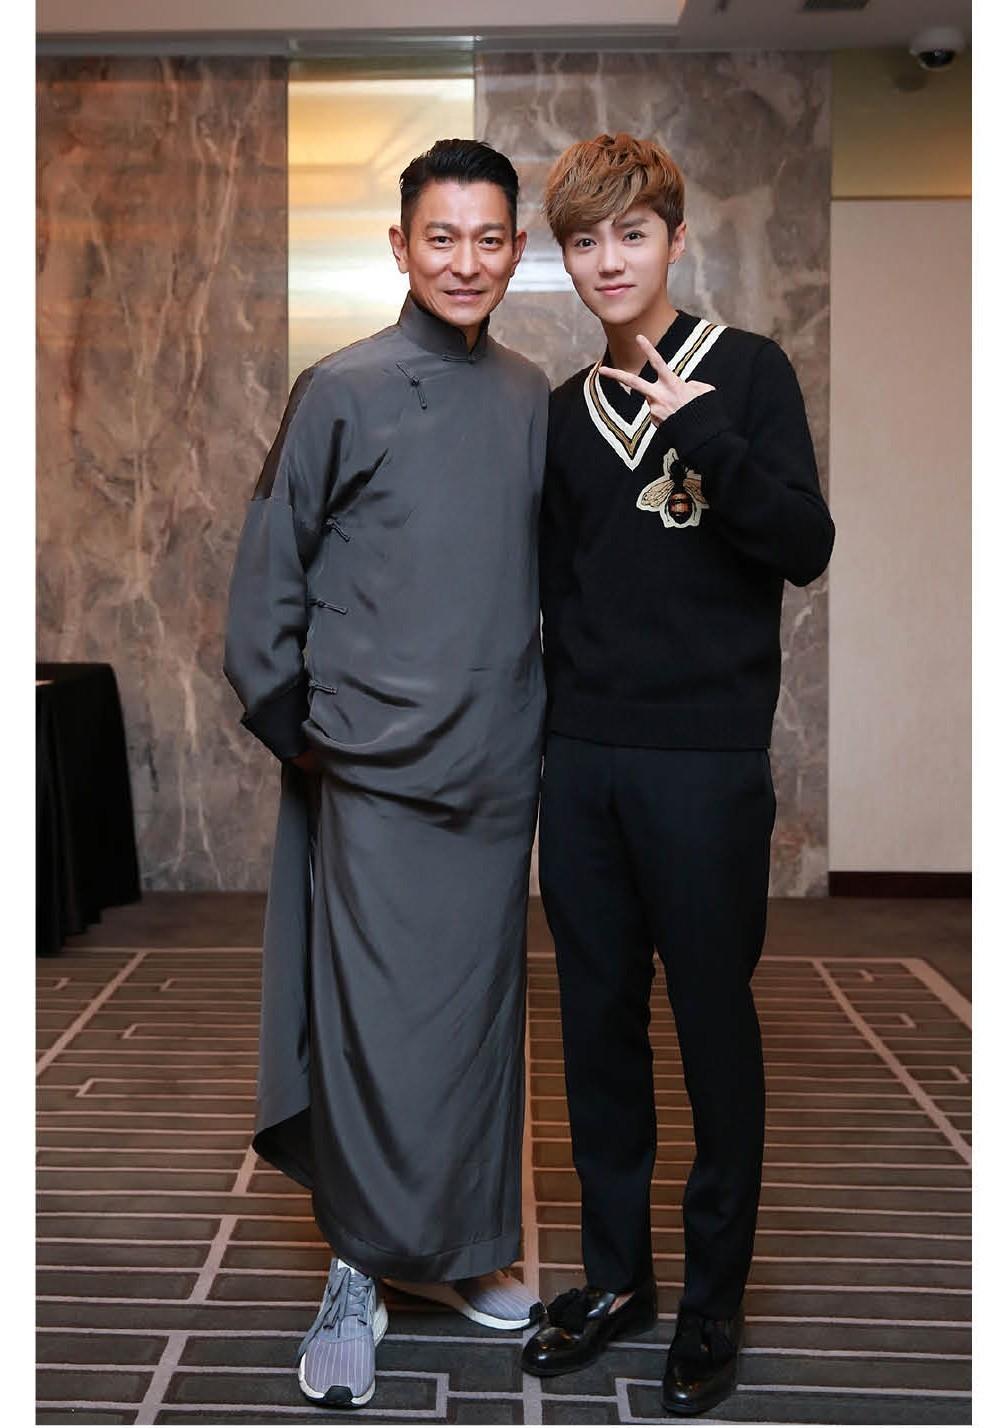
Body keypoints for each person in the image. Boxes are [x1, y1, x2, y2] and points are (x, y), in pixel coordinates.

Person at [224, 138, 549, 1410]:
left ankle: (460, 1253)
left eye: (488, 239)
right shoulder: (340, 389)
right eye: (440, 237)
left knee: (472, 1032)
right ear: (401, 246)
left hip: (493, 773)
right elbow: (268, 576)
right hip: (368, 771)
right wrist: (304, 730)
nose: (464, 261)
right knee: (371, 1034)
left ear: (513, 251)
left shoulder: (528, 393)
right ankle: (355, 1270)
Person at [520, 133, 835, 1417]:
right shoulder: (558, 415)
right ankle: (616, 1280)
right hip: (584, 763)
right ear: (565, 258)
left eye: (631, 234)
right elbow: (553, 597)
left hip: (704, 767)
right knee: (596, 1027)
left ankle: (711, 1301)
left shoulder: (745, 375)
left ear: (675, 239)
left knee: (710, 1028)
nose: (608, 260)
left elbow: (803, 544)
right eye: (583, 240)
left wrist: (702, 433)